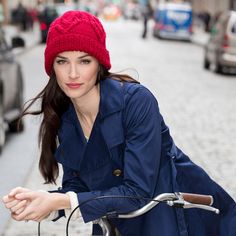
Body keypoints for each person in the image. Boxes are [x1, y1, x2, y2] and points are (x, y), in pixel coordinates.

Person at [2, 10, 236, 236]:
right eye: (62, 61)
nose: (72, 73)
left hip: (180, 215)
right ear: (52, 66)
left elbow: (138, 191)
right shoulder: (67, 118)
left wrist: (61, 200)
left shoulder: (136, 101)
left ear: (99, 63)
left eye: (84, 61)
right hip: (114, 224)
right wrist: (46, 204)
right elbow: (78, 188)